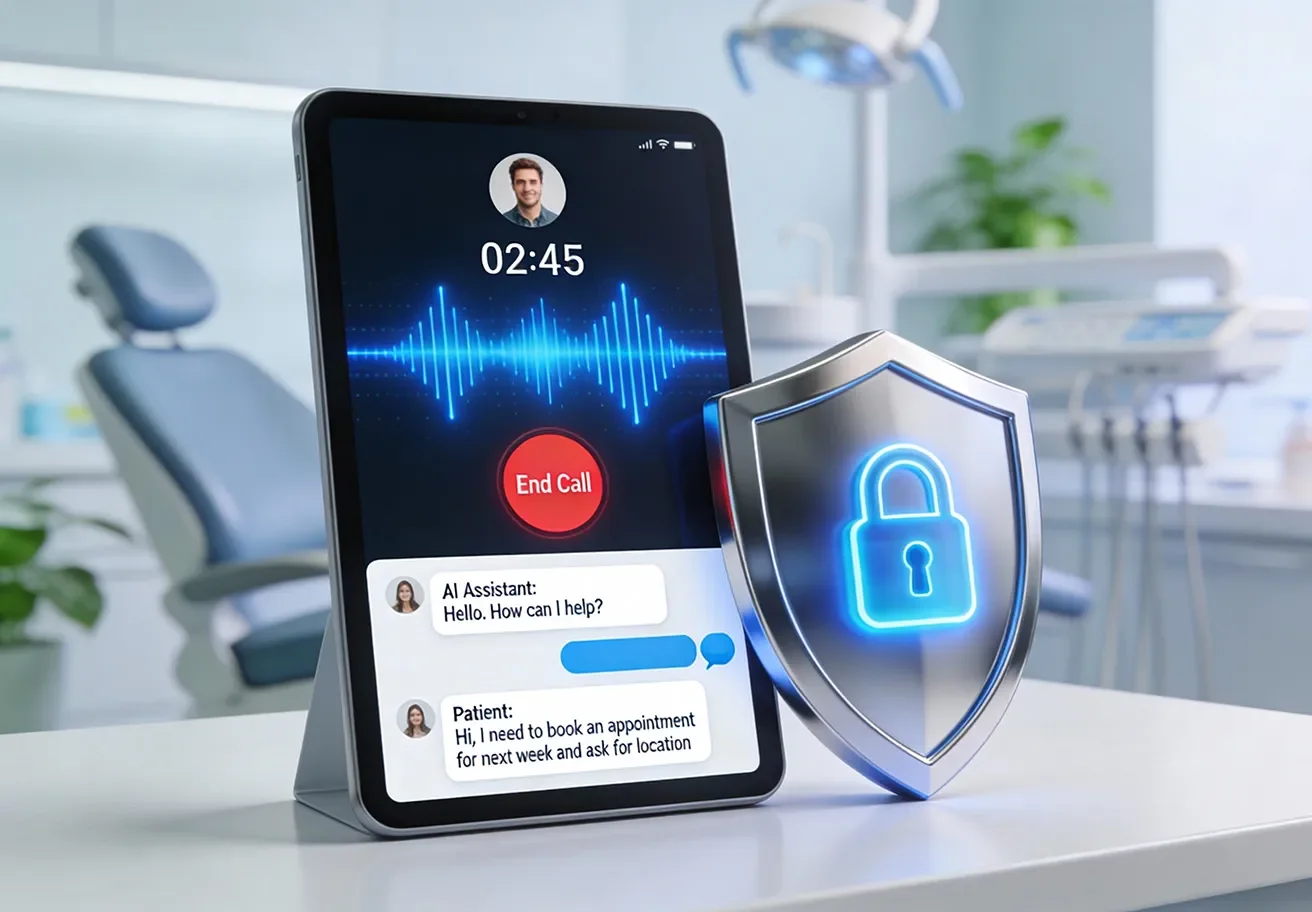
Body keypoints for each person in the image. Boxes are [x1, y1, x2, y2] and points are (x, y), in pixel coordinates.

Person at [501, 157, 558, 228]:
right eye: (520, 182)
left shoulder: (558, 221)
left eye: (533, 182)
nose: (527, 188)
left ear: (541, 185)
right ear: (513, 186)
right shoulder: (500, 222)